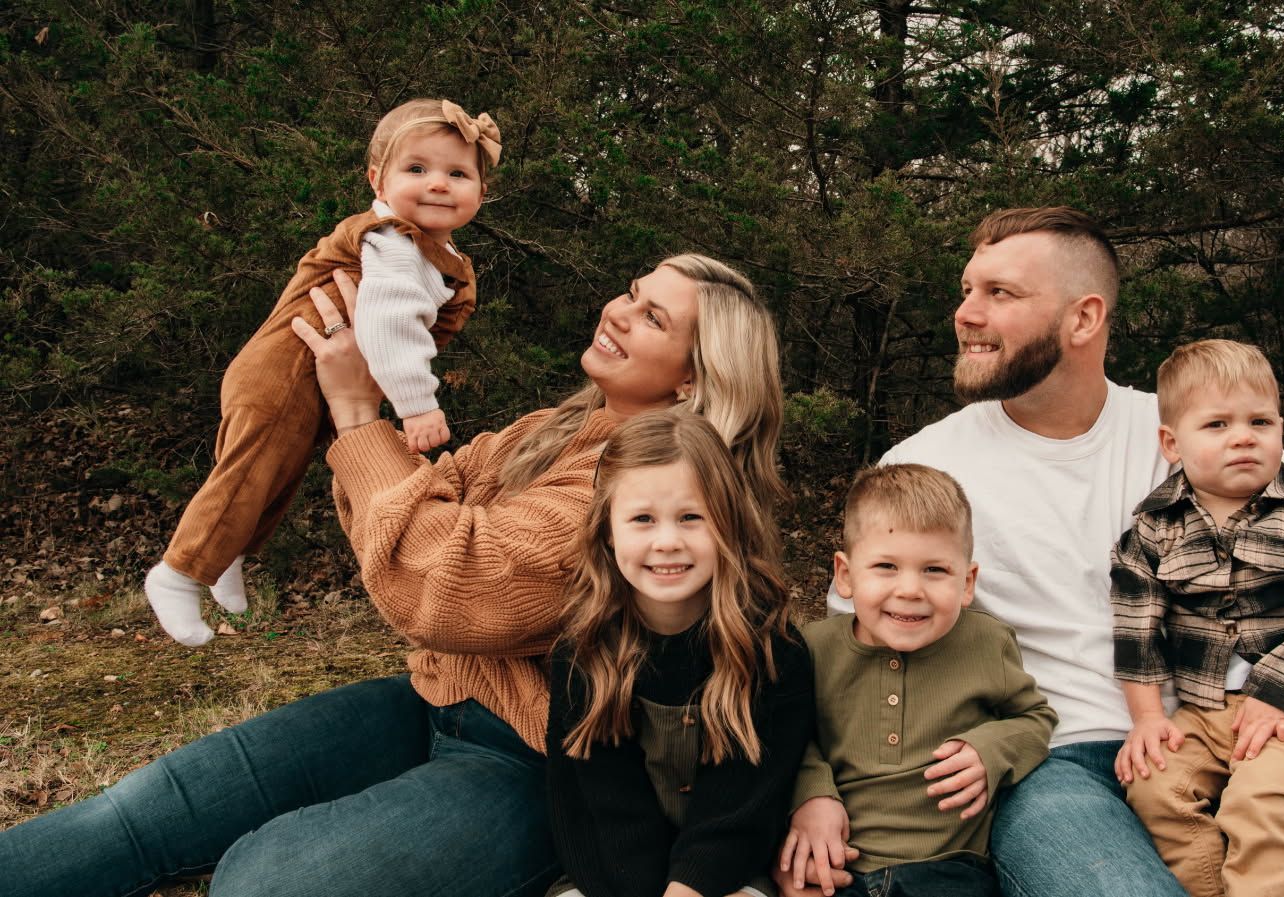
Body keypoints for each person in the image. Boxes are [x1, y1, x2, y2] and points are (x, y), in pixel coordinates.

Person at [0, 252, 785, 897]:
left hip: (537, 764)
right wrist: (405, 477)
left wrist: (357, 419)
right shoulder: (554, 428)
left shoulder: (661, 494)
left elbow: (450, 583)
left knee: (267, 882)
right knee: (145, 810)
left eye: (653, 317)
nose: (618, 309)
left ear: (693, 378)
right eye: (632, 290)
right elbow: (406, 530)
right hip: (434, 692)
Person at [813, 207, 1284, 897]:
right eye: (967, 291)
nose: (965, 314)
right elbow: (859, 642)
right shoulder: (925, 466)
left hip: (1229, 730)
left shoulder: (1187, 433)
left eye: (999, 293)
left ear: (1084, 317)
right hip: (1056, 764)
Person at [145, 97, 502, 646]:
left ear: (481, 192)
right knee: (250, 469)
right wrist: (417, 403)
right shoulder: (392, 241)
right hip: (283, 369)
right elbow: (386, 325)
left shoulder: (433, 249)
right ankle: (179, 572)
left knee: (277, 474)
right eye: (417, 169)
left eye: (458, 173)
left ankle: (228, 555)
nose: (438, 183)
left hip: (314, 371)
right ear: (378, 182)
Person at [1112, 339, 1284, 897]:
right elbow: (1136, 630)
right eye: (1216, 425)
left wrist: (1280, 695)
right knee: (1154, 788)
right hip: (1200, 711)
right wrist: (1146, 719)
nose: (1243, 436)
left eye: (1260, 420)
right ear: (1172, 443)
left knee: (1258, 806)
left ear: (1281, 428)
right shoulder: (1153, 529)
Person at [545, 410, 813, 897]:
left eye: (692, 517)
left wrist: (687, 889)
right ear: (607, 530)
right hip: (610, 873)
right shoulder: (582, 654)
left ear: (728, 524)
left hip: (731, 867)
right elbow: (600, 807)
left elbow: (743, 804)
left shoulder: (772, 650)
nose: (667, 542)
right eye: (642, 519)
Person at [781, 464, 1055, 897]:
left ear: (967, 583)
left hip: (948, 869)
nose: (910, 589)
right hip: (840, 866)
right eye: (886, 566)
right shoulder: (812, 650)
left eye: (934, 571)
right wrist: (811, 794)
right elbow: (786, 736)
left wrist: (990, 749)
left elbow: (1035, 718)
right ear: (846, 575)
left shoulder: (986, 642)